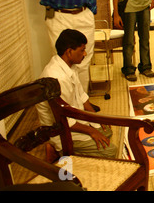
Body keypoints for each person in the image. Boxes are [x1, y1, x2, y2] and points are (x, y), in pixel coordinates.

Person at [36, 29, 117, 158]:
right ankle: (58, 150)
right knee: (110, 151)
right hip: (60, 129)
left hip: (73, 117)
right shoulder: (57, 78)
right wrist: (91, 130)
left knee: (106, 132)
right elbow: (64, 119)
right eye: (82, 50)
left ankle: (67, 149)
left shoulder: (69, 65)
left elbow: (81, 96)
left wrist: (95, 118)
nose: (85, 53)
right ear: (69, 52)